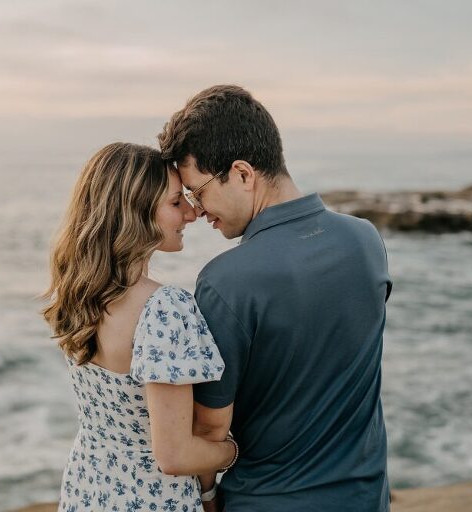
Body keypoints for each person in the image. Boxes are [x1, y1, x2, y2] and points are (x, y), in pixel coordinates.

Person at [158, 85, 392, 511]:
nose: (198, 210)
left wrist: (208, 497)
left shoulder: (226, 281)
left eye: (199, 191)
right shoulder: (366, 240)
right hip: (365, 497)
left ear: (243, 174)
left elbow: (211, 429)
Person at [42, 142, 238, 511]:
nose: (192, 213)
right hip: (152, 499)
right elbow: (175, 455)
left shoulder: (78, 292)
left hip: (88, 488)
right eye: (176, 202)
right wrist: (235, 451)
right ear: (137, 212)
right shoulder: (165, 308)